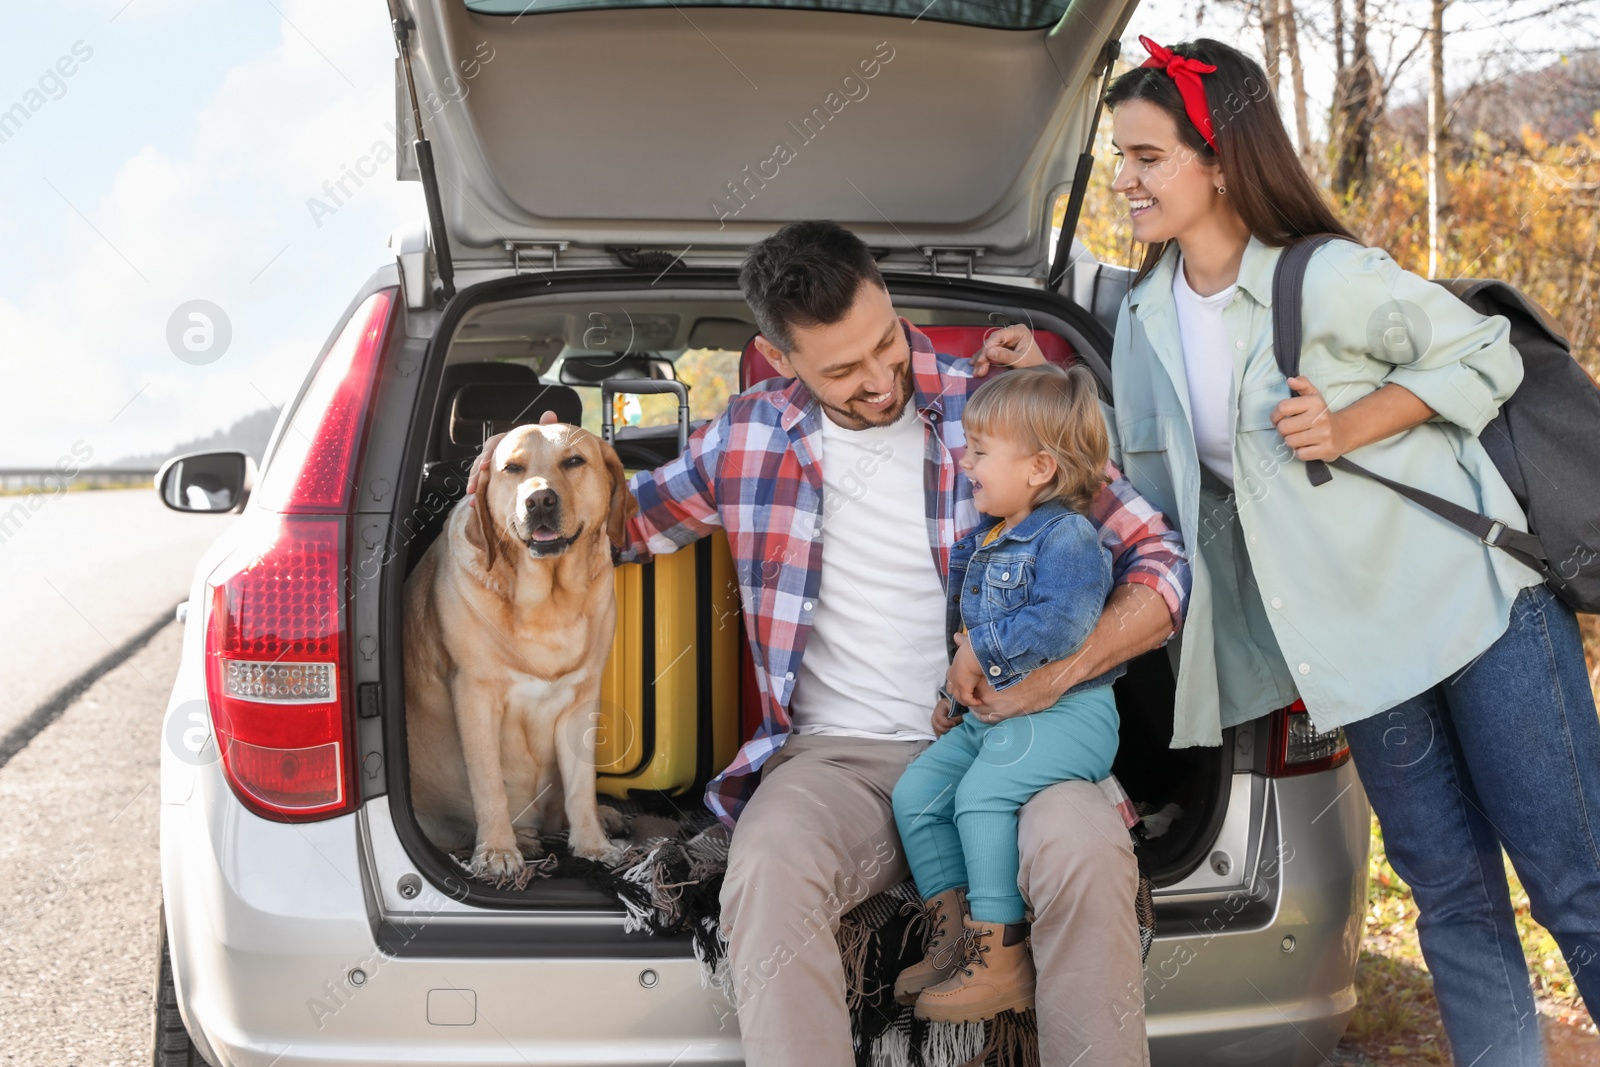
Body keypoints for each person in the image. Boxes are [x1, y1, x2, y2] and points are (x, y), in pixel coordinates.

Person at [469, 219, 1190, 1066]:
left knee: (1085, 854)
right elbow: (611, 528)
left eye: (887, 343)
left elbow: (1160, 561)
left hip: (1017, 741)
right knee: (768, 871)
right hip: (834, 761)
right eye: (844, 370)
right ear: (782, 361)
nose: (882, 380)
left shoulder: (996, 407)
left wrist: (1053, 677)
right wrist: (520, 475)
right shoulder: (746, 437)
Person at [1062, 33, 1598, 1067]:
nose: (1123, 180)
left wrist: (1354, 423)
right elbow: (1151, 465)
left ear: (1218, 161)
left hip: (1473, 609)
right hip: (1350, 660)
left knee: (1573, 879)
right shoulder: (1141, 318)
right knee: (1448, 894)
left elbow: (1484, 351)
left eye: (1145, 157)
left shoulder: (1327, 276)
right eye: (1118, 157)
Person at [891, 364, 1126, 1025]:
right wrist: (953, 691)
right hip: (994, 714)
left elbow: (1064, 622)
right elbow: (964, 637)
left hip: (1069, 714)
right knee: (918, 793)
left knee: (980, 793)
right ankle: (958, 937)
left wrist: (981, 649)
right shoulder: (985, 540)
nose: (967, 464)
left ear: (1040, 468)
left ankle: (1002, 955)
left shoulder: (1068, 536)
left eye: (982, 452)